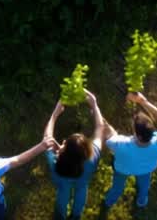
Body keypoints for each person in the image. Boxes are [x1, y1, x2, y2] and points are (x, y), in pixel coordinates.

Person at [102, 91, 157, 210]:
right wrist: (144, 102)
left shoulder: (122, 144)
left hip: (122, 169)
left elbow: (109, 133)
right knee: (144, 186)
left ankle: (109, 202)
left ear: (138, 136)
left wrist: (96, 111)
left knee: (117, 187)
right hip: (146, 169)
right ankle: (141, 201)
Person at [43, 90, 105, 219]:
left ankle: (61, 215)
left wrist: (55, 115)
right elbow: (100, 127)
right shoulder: (92, 155)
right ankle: (76, 215)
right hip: (82, 181)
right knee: (81, 192)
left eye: (65, 143)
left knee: (62, 196)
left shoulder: (55, 161)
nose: (64, 141)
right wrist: (94, 104)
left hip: (63, 183)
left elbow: (47, 138)